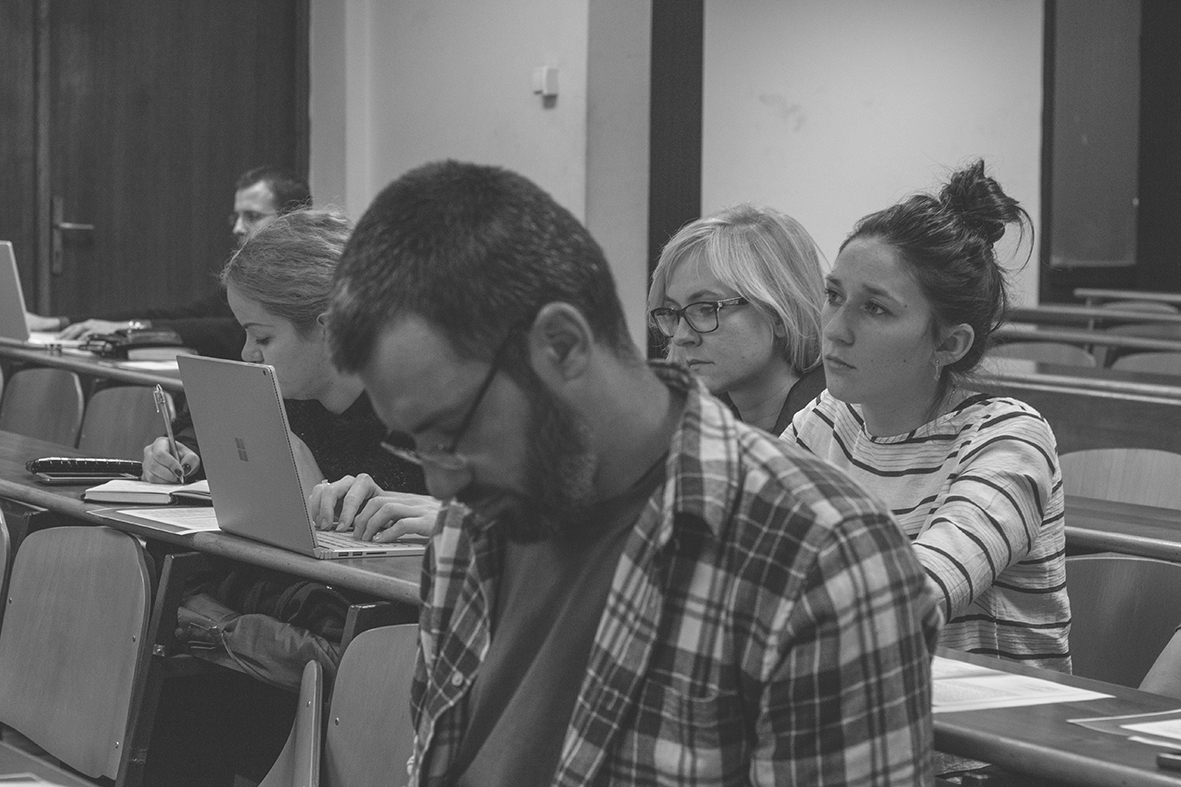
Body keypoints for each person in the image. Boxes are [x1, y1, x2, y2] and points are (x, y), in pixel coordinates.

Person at [327, 159, 940, 786]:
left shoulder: (818, 554)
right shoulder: (473, 528)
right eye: (417, 446)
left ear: (562, 345)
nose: (442, 484)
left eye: (452, 432)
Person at [782, 160, 1071, 671]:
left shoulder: (1009, 441)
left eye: (875, 308)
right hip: (853, 694)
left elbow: (912, 597)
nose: (835, 329)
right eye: (833, 296)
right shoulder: (826, 420)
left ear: (949, 344)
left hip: (989, 720)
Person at [141, 208, 437, 542]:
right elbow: (211, 423)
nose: (247, 353)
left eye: (262, 338)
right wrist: (183, 451)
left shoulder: (427, 414)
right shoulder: (287, 393)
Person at [24, 166, 311, 360]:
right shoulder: (249, 278)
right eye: (235, 217)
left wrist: (130, 331)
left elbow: (228, 333)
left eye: (252, 217)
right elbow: (188, 315)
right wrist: (61, 323)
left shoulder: (306, 279)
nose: (237, 228)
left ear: (291, 217)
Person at [647, 204, 826, 433]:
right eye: (672, 312)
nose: (681, 336)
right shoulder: (689, 430)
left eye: (706, 309)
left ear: (779, 314)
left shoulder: (839, 431)